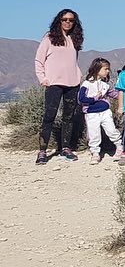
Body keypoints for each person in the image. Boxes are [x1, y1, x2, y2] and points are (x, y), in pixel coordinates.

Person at [34, 9, 84, 165]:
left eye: (71, 20)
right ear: (59, 20)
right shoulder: (49, 38)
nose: (68, 22)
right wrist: (43, 79)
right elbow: (38, 60)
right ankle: (42, 151)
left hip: (72, 83)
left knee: (68, 118)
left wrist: (78, 75)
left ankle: (65, 149)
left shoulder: (74, 39)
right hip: (54, 83)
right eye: (65, 19)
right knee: (49, 116)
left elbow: (71, 61)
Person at [78, 58, 122, 164]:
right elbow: (81, 99)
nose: (108, 71)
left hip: (105, 112)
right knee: (94, 133)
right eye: (106, 69)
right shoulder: (86, 84)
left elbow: (114, 94)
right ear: (97, 69)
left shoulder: (105, 85)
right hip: (91, 113)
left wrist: (123, 94)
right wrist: (94, 98)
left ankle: (119, 147)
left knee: (111, 130)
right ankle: (95, 153)